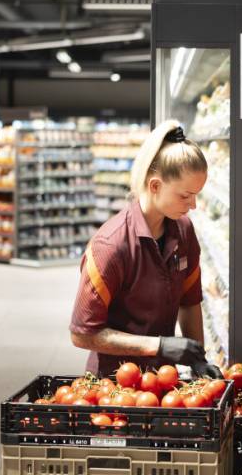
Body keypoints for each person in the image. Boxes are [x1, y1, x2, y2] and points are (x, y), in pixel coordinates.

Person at [69, 120, 221, 379]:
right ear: (154, 186)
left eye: (197, 195)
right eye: (185, 196)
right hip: (114, 384)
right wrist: (158, 345)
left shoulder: (183, 231)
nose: (193, 205)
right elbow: (82, 333)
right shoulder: (111, 246)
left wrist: (199, 361)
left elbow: (189, 301)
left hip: (163, 380)